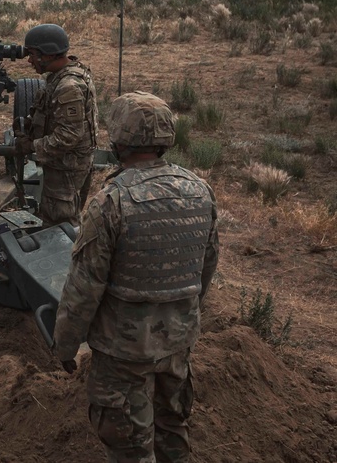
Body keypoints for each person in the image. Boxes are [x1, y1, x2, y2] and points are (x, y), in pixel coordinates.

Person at [53, 91, 219, 463]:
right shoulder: (200, 191)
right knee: (174, 433)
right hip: (177, 343)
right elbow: (206, 268)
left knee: (130, 446)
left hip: (122, 352)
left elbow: (83, 288)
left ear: (118, 141)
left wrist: (65, 345)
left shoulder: (110, 202)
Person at [14, 23, 98, 227]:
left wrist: (32, 147)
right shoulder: (61, 76)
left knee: (60, 224)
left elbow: (68, 136)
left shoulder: (68, 86)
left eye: (33, 54)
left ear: (48, 54)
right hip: (64, 165)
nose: (29, 60)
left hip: (67, 169)